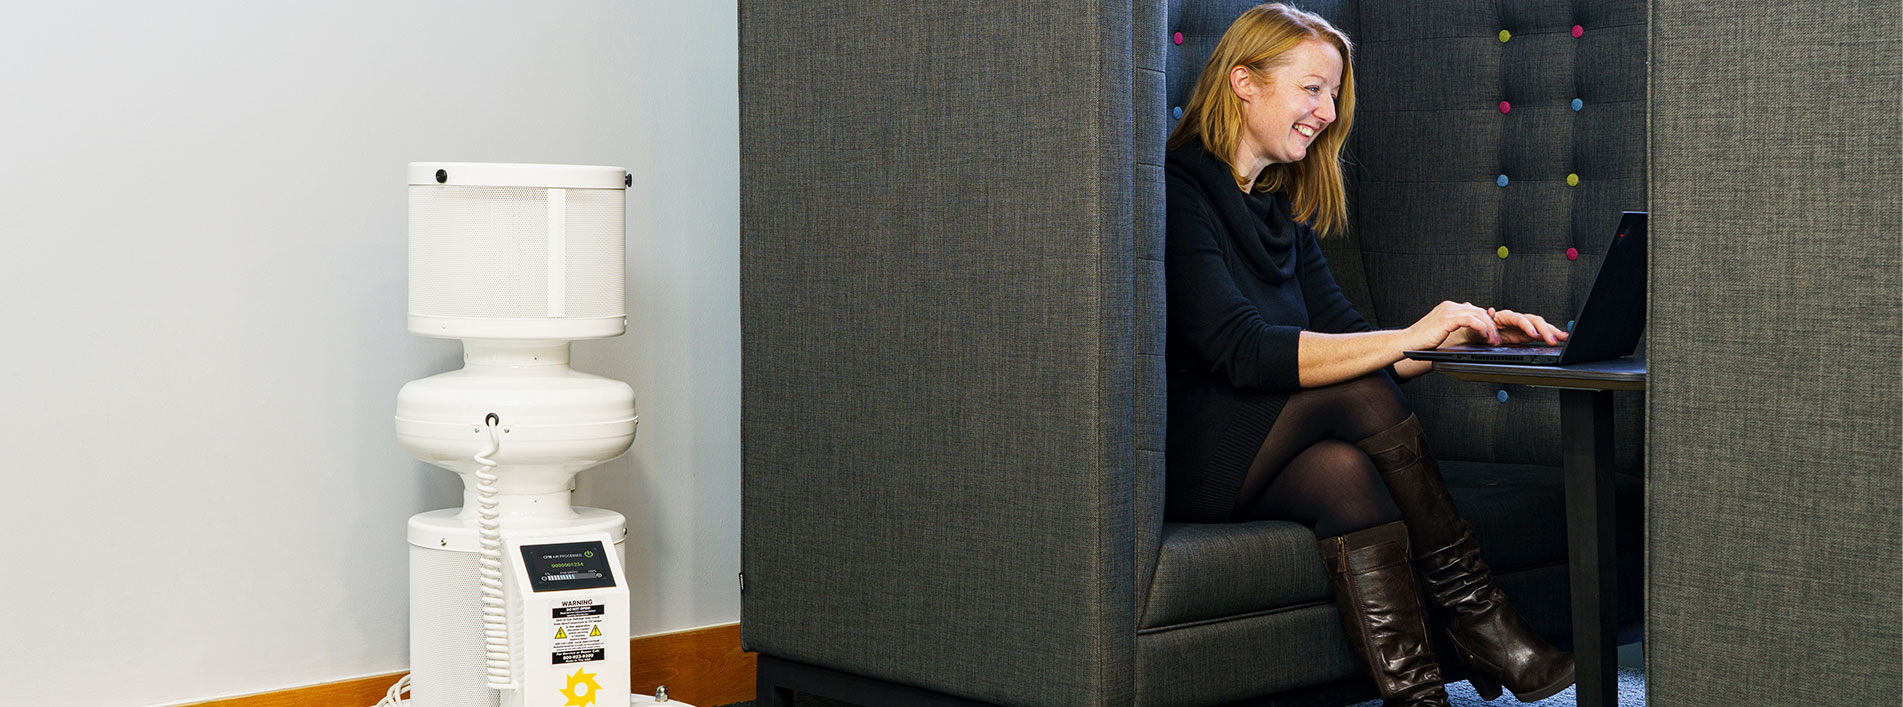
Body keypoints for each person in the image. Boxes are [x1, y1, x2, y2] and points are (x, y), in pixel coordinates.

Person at [1163, 5, 1577, 706]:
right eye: (1311, 89)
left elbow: (1357, 343)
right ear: (1243, 81)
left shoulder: (1279, 204)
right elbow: (1242, 350)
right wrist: (1413, 330)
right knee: (1355, 394)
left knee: (1345, 475)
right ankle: (1480, 617)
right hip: (1194, 455)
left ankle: (1419, 696)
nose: (1327, 113)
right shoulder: (1176, 189)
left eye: (1332, 95)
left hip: (1265, 447)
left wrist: (1458, 337)